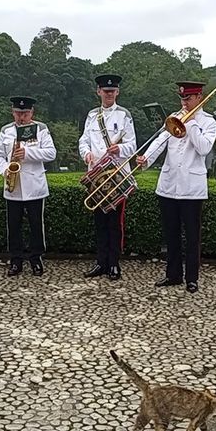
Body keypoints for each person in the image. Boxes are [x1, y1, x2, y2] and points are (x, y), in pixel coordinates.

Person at [136, 81, 216, 293]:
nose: (184, 102)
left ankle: (192, 278)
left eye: (188, 98)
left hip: (192, 187)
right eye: (182, 99)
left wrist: (189, 124)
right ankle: (173, 275)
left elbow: (204, 148)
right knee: (171, 233)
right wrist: (146, 160)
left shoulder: (208, 122)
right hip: (169, 184)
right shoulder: (174, 116)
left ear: (199, 97)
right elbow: (161, 141)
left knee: (192, 236)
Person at [78, 74, 137, 280]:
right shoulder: (92, 115)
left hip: (116, 175)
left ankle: (114, 264)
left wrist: (119, 148)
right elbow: (84, 140)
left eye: (112, 91)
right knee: (99, 221)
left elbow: (133, 145)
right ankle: (101, 262)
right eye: (105, 91)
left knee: (115, 222)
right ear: (99, 92)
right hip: (97, 174)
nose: (109, 94)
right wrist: (86, 153)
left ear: (117, 92)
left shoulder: (124, 115)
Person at [0, 96, 57, 277]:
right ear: (13, 112)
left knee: (36, 225)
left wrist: (27, 153)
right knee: (13, 226)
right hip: (13, 186)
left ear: (32, 113)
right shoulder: (5, 130)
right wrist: (5, 169)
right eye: (18, 113)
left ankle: (36, 259)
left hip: (35, 185)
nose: (22, 117)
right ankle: (16, 260)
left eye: (25, 113)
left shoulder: (41, 129)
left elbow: (51, 153)